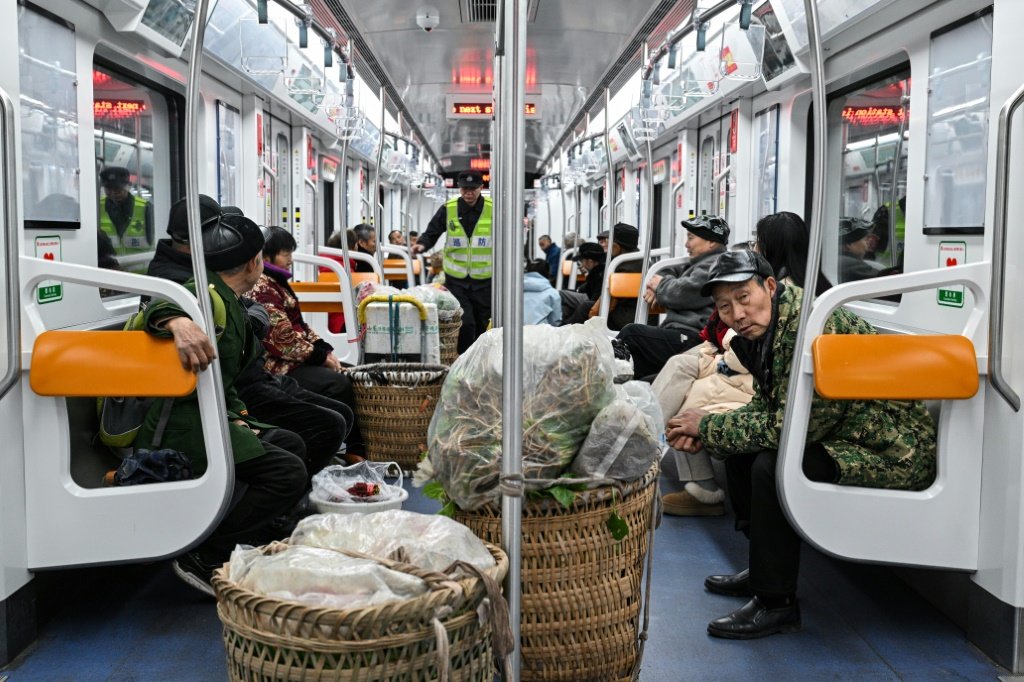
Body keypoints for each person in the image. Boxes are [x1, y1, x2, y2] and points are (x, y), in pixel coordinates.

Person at [666, 250, 936, 639]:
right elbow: (768, 404)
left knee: (772, 464)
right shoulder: (775, 325)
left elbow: (796, 430)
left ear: (770, 287)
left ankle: (776, 603)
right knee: (744, 452)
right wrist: (711, 430)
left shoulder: (810, 329)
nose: (737, 315)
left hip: (890, 448)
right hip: (845, 433)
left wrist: (708, 428)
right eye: (724, 307)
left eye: (744, 298)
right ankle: (762, 567)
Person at [136, 213, 308, 595]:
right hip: (185, 425)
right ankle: (203, 552)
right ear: (253, 263)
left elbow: (224, 382)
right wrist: (177, 323)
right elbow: (159, 308)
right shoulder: (203, 296)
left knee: (291, 443)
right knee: (287, 472)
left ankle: (254, 535)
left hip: (215, 412)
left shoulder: (227, 298)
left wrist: (242, 419)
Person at [146, 197, 358, 483]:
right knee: (320, 427)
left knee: (336, 414)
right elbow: (161, 305)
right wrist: (176, 320)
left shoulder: (216, 274)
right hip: (219, 397)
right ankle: (292, 495)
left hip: (250, 379)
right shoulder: (188, 279)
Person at [249, 227, 365, 438]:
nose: (290, 260)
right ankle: (350, 445)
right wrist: (320, 357)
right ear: (266, 256)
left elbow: (299, 325)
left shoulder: (276, 282)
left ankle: (355, 444)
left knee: (351, 373)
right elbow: (281, 339)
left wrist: (323, 349)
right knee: (338, 383)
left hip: (291, 358)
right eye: (286, 254)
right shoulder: (263, 287)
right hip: (275, 365)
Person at [653, 311, 753, 516]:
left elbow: (740, 358)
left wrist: (663, 287)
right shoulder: (745, 310)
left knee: (686, 400)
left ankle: (640, 447)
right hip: (730, 370)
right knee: (678, 368)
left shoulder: (762, 316)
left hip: (747, 387)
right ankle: (642, 441)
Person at [616, 215, 729, 379]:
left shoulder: (716, 265)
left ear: (711, 242)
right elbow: (668, 271)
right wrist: (660, 284)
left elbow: (685, 292)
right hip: (678, 334)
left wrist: (660, 286)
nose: (686, 244)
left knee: (631, 334)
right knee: (639, 364)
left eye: (691, 238)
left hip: (694, 339)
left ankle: (601, 379)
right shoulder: (697, 262)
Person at [412, 170, 493, 352]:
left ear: (481, 188)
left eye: (473, 189)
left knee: (483, 324)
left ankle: (480, 359)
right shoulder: (449, 209)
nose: (468, 193)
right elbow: (432, 232)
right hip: (456, 278)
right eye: (465, 189)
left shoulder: (493, 208)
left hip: (485, 279)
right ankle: (463, 359)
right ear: (459, 189)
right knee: (465, 323)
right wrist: (422, 245)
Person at [754, 212, 832, 296]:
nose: (755, 248)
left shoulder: (782, 292)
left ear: (770, 249)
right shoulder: (817, 281)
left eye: (758, 242)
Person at [97, 165, 154, 257]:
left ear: (129, 185)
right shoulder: (97, 208)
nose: (113, 192)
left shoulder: (145, 208)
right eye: (108, 189)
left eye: (117, 188)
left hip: (141, 270)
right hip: (109, 269)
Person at [838, 217, 879, 283]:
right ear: (848, 244)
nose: (867, 245)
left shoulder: (838, 261)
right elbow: (884, 280)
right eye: (865, 239)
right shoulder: (852, 265)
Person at [523, 259, 561, 325]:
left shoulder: (514, 291)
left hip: (514, 331)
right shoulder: (552, 293)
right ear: (547, 273)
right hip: (540, 332)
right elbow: (555, 321)